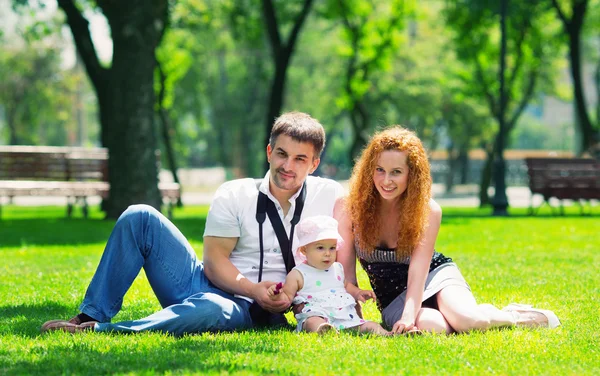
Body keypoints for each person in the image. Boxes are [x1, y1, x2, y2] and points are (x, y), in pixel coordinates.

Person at [41, 111, 345, 335]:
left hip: (245, 310)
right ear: (269, 152)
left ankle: (105, 330)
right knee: (140, 216)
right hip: (209, 284)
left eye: (300, 159)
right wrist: (253, 289)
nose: (287, 166)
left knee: (213, 310)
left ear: (315, 164)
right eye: (281, 154)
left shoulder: (328, 195)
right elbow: (213, 262)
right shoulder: (235, 193)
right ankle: (87, 316)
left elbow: (341, 258)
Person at [334, 126, 561, 335]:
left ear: (411, 175)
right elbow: (346, 276)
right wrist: (355, 317)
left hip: (433, 275)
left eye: (396, 172)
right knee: (435, 327)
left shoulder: (428, 210)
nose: (386, 180)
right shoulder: (349, 207)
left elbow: (418, 272)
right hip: (392, 297)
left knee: (469, 321)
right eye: (380, 170)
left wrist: (408, 317)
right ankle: (460, 313)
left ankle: (514, 315)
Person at [267, 215, 389, 335]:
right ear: (304, 250)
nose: (327, 253)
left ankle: (387, 334)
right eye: (320, 248)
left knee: (371, 325)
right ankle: (323, 329)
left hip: (344, 317)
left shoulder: (337, 268)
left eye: (332, 248)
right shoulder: (298, 274)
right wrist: (277, 294)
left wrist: (358, 292)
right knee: (312, 322)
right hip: (316, 313)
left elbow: (346, 286)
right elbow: (287, 297)